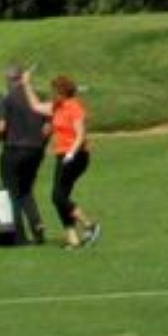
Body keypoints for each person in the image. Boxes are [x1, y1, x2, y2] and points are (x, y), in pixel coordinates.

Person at [0, 64, 52, 244]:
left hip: (13, 149)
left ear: (9, 80)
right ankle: (37, 227)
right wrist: (41, 146)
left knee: (12, 192)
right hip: (35, 150)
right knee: (26, 190)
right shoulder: (38, 97)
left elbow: (1, 127)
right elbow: (47, 128)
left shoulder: (6, 99)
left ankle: (19, 236)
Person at [49, 73, 99, 247]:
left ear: (62, 92)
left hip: (76, 156)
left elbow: (80, 134)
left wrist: (71, 153)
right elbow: (36, 106)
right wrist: (25, 86)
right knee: (60, 197)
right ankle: (73, 239)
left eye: (54, 91)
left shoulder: (74, 107)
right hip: (62, 155)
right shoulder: (57, 106)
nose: (52, 94)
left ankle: (89, 224)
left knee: (57, 195)